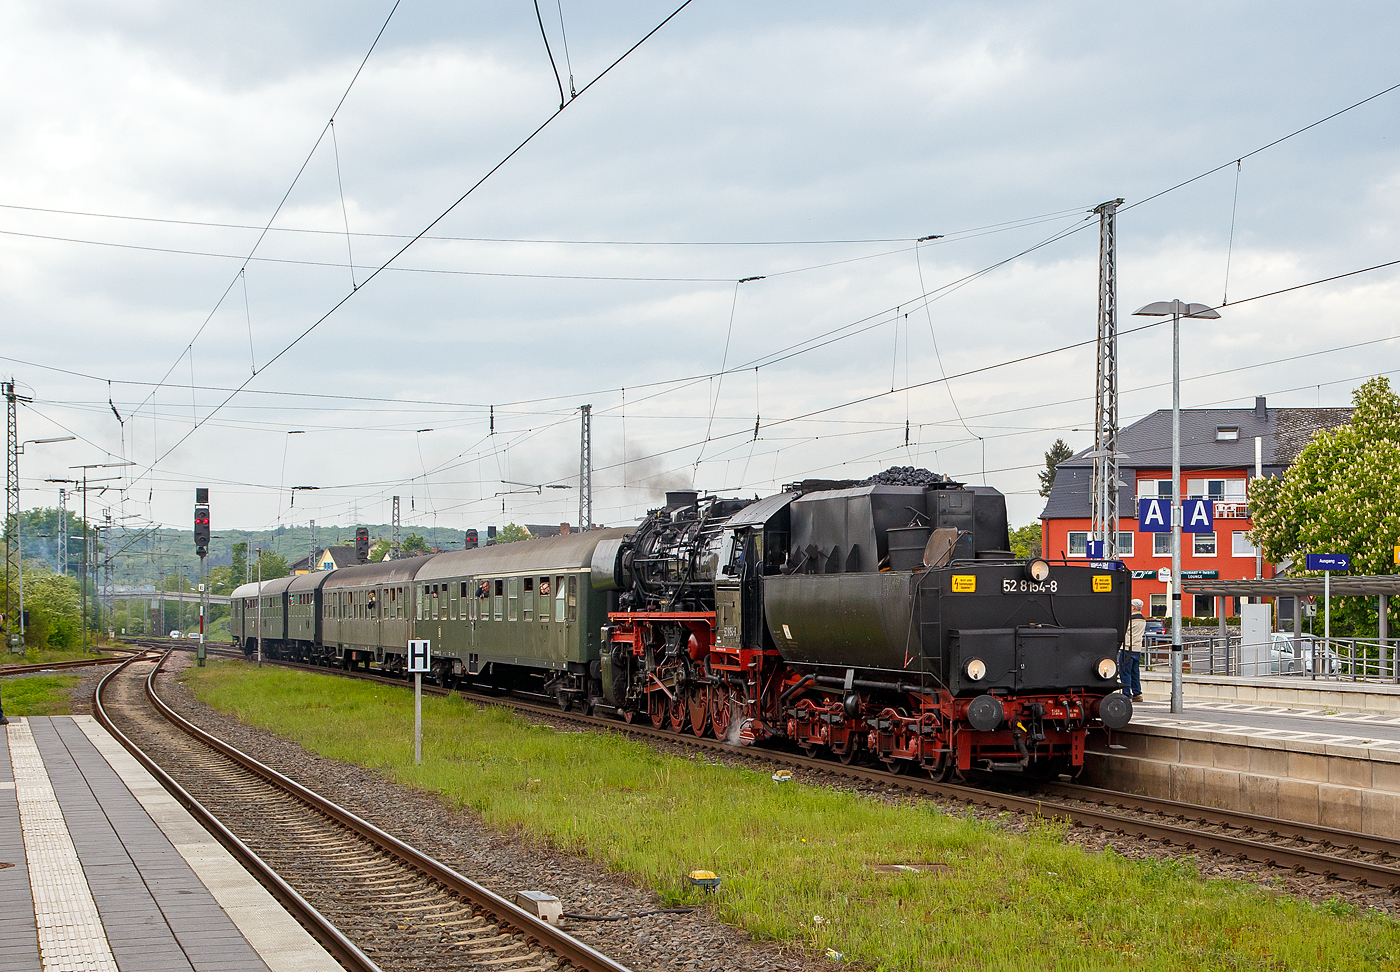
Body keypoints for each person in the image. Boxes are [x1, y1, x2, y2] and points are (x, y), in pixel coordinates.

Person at [1120, 598, 1146, 702]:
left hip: (1127, 648)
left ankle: (1127, 694)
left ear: (1133, 607)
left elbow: (1123, 631)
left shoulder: (1130, 620)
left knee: (1125, 672)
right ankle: (1137, 693)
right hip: (1137, 648)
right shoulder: (1143, 620)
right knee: (1135, 672)